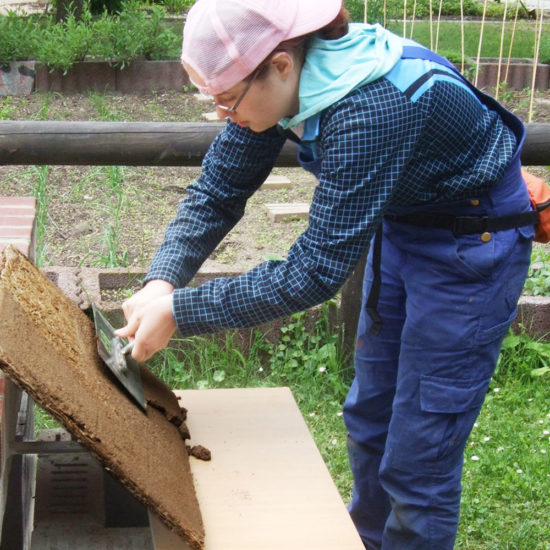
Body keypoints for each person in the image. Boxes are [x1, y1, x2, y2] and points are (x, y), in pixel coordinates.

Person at [115, 0, 535, 548]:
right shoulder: (283, 86)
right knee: (369, 421)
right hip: (409, 223)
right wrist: (161, 282)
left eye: (227, 99)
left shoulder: (369, 108)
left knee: (419, 454)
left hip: (473, 241)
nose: (224, 114)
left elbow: (314, 272)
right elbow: (219, 189)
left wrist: (180, 312)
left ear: (281, 64)